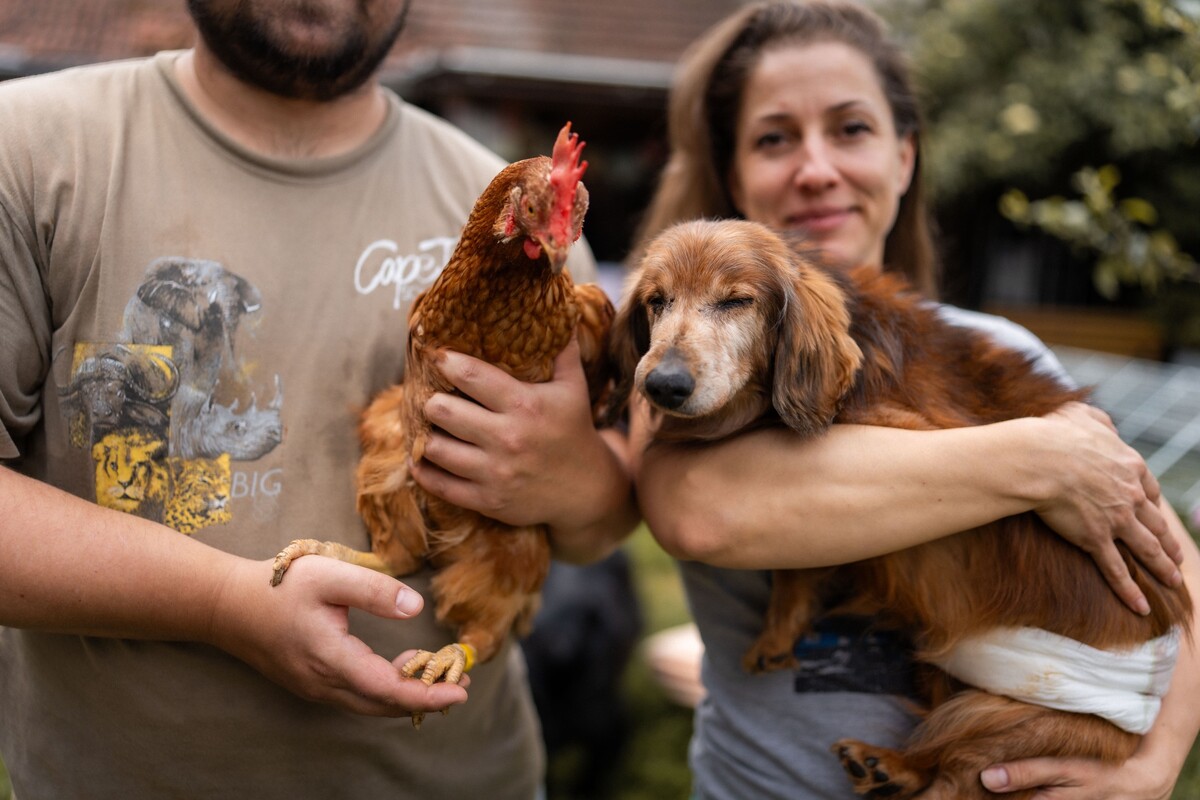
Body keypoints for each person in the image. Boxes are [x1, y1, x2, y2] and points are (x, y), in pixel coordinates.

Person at [0, 1, 636, 798]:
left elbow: (613, 513)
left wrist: (579, 476)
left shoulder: (497, 191)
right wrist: (225, 606)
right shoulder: (25, 150)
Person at [628, 1, 1200, 798]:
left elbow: (1182, 573)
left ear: (905, 158)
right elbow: (698, 513)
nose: (816, 168)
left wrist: (1155, 767)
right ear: (733, 178)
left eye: (851, 129)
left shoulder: (999, 351)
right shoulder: (675, 371)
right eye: (774, 138)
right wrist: (1041, 455)